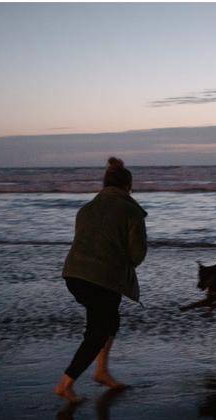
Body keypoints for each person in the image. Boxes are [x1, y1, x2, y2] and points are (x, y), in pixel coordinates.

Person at [55, 157, 147, 403]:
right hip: (103, 279)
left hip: (74, 274)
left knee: (109, 321)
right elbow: (137, 254)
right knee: (98, 332)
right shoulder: (131, 210)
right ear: (128, 186)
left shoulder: (86, 209)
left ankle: (102, 371)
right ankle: (65, 385)